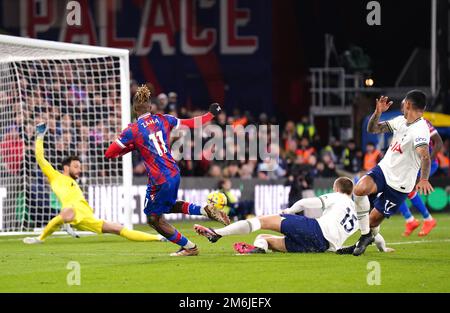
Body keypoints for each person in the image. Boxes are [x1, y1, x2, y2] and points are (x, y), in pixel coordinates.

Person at [105, 85, 230, 257]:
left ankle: (190, 247)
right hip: (173, 172)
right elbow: (191, 123)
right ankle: (204, 211)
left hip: (159, 178)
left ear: (134, 109)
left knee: (153, 219)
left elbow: (109, 153)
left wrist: (132, 146)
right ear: (150, 107)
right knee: (168, 206)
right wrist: (211, 114)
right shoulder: (164, 119)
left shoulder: (132, 130)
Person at [23, 123, 165, 244]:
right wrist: (40, 137)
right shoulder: (56, 177)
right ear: (66, 167)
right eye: (76, 167)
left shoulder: (74, 183)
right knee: (66, 213)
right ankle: (41, 237)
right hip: (72, 212)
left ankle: (158, 238)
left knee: (118, 229)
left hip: (88, 217)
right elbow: (41, 159)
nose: (79, 170)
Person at [194, 177, 393, 254]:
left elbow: (306, 203)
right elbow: (374, 236)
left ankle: (217, 233)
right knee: (266, 238)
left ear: (336, 187)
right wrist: (384, 249)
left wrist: (289, 212)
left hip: (315, 230)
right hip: (322, 247)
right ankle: (260, 249)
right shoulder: (360, 214)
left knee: (262, 220)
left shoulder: (336, 196)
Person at [352, 91, 434, 256]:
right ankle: (365, 236)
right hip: (384, 170)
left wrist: (424, 179)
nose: (401, 106)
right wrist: (378, 113)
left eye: (403, 103)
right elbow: (373, 129)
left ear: (408, 105)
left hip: (401, 184)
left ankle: (365, 238)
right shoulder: (400, 121)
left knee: (372, 221)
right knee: (359, 189)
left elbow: (425, 155)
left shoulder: (421, 129)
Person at [399, 119, 442, 236]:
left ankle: (422, 220)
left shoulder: (424, 123)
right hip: (413, 164)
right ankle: (413, 220)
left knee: (404, 189)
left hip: (427, 164)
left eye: (405, 107)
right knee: (398, 189)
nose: (404, 111)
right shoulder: (403, 123)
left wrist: (428, 161)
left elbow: (438, 142)